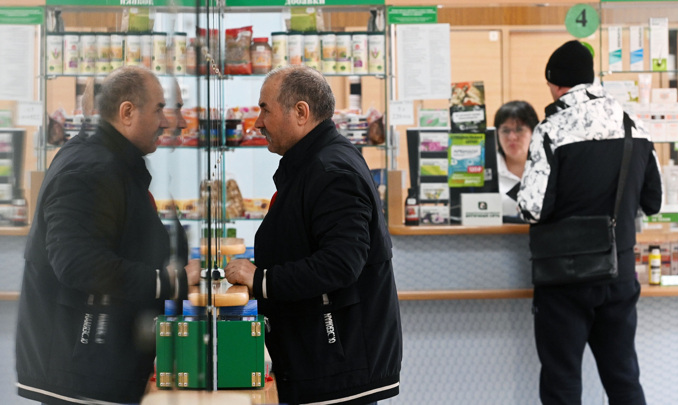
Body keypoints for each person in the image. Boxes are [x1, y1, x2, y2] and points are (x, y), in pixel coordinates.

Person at [16, 66, 199, 405]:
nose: (170, 121)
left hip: (96, 368)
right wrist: (168, 282)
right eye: (160, 109)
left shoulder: (109, 161)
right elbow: (79, 265)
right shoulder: (92, 169)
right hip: (82, 371)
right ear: (127, 112)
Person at [223, 65, 402, 405]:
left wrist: (261, 278)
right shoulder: (316, 162)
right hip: (323, 366)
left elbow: (340, 264)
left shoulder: (331, 171)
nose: (258, 122)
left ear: (301, 112)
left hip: (338, 370)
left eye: (265, 109)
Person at [517, 40, 663, 405]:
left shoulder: (551, 130)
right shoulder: (635, 127)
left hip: (564, 278)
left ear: (554, 83)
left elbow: (532, 209)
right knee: (623, 377)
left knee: (563, 381)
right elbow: (654, 202)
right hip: (619, 271)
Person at [493, 100, 538, 218]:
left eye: (519, 130)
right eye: (505, 130)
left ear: (534, 132)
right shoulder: (487, 169)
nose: (512, 137)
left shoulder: (548, 166)